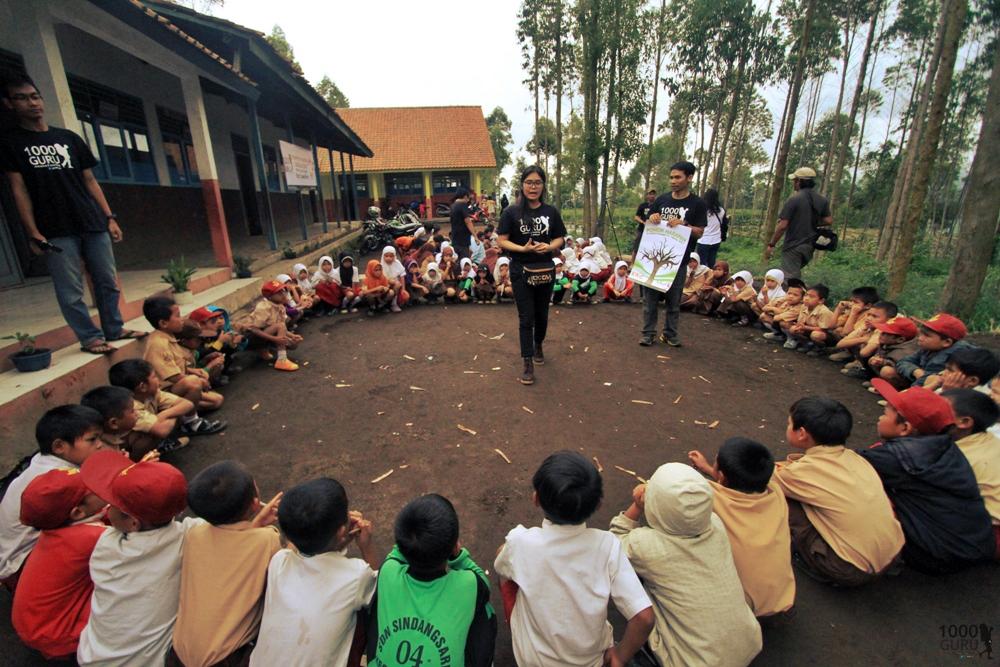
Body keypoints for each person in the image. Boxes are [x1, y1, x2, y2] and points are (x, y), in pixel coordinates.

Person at [0, 72, 146, 355]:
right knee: (70, 289)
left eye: (35, 96)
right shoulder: (11, 144)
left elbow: (90, 180)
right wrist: (32, 232)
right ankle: (90, 337)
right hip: (53, 228)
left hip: (91, 221)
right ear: (8, 104)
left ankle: (113, 328)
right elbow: (19, 190)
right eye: (21, 99)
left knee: (107, 279)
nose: (32, 104)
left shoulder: (68, 138)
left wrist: (109, 217)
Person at [495, 451, 653, 667]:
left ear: (536, 499)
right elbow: (644, 618)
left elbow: (502, 561)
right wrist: (620, 657)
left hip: (532, 660)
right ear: (598, 505)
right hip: (590, 661)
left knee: (504, 562)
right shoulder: (608, 546)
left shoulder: (521, 542)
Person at [610, 463, 762, 667]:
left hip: (693, 662)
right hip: (748, 643)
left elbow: (613, 543)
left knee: (632, 579)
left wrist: (637, 506)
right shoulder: (715, 524)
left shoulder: (646, 546)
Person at [862, 382, 995, 573]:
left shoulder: (898, 458)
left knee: (857, 492)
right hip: (971, 544)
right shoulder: (945, 445)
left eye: (885, 414)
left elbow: (840, 464)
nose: (880, 417)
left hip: (938, 554)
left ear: (906, 428)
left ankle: (883, 556)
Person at [76, 449, 193, 666]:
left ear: (132, 523)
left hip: (93, 658)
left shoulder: (106, 546)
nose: (107, 507)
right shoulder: (189, 537)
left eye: (113, 504)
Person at [772, 397, 904, 586]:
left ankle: (810, 559)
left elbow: (763, 476)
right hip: (892, 554)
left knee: (780, 497)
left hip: (848, 568)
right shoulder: (856, 459)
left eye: (789, 423)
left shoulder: (800, 473)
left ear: (802, 433)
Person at [250, 478, 378, 667]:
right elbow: (380, 585)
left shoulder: (279, 562)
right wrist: (366, 546)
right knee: (365, 610)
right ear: (342, 529)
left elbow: (295, 546)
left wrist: (337, 537)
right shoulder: (357, 575)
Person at [171, 461, 282, 667]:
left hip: (178, 657)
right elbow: (280, 571)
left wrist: (254, 524)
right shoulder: (266, 540)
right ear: (255, 502)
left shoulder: (195, 534)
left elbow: (232, 549)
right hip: (227, 660)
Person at [366, 494, 496, 667]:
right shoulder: (468, 584)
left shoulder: (388, 572)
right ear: (454, 545)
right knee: (484, 608)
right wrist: (459, 557)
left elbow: (398, 552)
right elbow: (484, 585)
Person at [0, 404, 104, 590]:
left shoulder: (42, 461)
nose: (99, 445)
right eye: (92, 440)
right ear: (59, 446)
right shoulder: (58, 477)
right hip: (22, 565)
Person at [688, 439, 795, 617]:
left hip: (740, 608)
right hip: (781, 598)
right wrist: (708, 468)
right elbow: (738, 488)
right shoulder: (775, 492)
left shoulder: (708, 496)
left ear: (721, 475)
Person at [11, 469, 107, 660]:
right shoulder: (90, 538)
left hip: (31, 626)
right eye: (95, 488)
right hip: (56, 635)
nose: (102, 487)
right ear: (78, 512)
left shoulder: (55, 529)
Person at [497, 165, 567, 386]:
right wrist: (522, 249)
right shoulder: (511, 212)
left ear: (543, 185)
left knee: (542, 315)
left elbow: (560, 238)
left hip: (545, 269)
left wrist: (548, 247)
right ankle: (527, 360)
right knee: (526, 317)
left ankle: (538, 344)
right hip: (520, 269)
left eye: (537, 182)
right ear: (522, 185)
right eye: (529, 182)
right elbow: (502, 239)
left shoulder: (551, 211)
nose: (533, 186)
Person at [639, 161, 707, 347]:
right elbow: (647, 225)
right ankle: (648, 333)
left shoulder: (697, 204)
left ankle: (670, 334)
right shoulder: (661, 200)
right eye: (671, 177)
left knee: (673, 302)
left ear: (689, 178)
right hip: (655, 257)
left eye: (678, 177)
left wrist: (685, 225)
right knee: (650, 300)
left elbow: (700, 231)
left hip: (679, 260)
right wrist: (652, 219)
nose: (673, 181)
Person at [142, 296, 223, 414]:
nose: (182, 320)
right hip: (163, 393)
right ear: (163, 323)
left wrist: (193, 371)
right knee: (193, 382)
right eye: (177, 316)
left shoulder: (170, 337)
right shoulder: (158, 344)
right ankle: (190, 421)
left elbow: (174, 366)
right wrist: (199, 380)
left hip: (175, 388)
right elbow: (172, 376)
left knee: (217, 400)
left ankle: (181, 412)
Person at [942, 389, 1000, 553]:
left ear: (965, 422)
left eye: (940, 409)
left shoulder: (961, 457)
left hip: (992, 534)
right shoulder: (984, 438)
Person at [108, 358, 200, 460]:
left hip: (156, 424)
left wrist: (165, 414)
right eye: (154, 377)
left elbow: (188, 404)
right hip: (129, 453)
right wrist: (173, 411)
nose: (158, 380)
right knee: (146, 438)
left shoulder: (152, 393)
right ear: (142, 387)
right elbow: (163, 430)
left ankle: (160, 446)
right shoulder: (131, 408)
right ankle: (139, 463)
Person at [764, 166, 832, 280]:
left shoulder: (794, 199)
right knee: (793, 273)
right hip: (810, 246)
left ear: (800, 181)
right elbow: (828, 220)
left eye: (795, 181)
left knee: (789, 279)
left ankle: (795, 296)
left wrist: (772, 244)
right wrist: (811, 221)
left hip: (794, 245)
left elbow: (782, 226)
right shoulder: (822, 200)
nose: (794, 183)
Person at [888, 313, 973, 388]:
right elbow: (903, 361)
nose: (920, 338)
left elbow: (924, 381)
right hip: (926, 380)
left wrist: (903, 398)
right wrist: (915, 371)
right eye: (921, 333)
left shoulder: (950, 354)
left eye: (926, 336)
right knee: (888, 372)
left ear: (947, 342)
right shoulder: (930, 348)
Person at [234, 281, 302, 371]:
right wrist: (275, 339)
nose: (283, 294)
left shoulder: (281, 307)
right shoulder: (263, 307)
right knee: (280, 328)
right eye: (278, 293)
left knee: (293, 344)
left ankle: (263, 350)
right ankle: (282, 360)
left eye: (283, 291)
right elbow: (254, 329)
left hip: (264, 334)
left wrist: (293, 336)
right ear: (269, 296)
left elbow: (279, 327)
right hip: (250, 337)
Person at [80, 385, 141, 455]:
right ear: (114, 423)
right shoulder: (102, 449)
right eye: (132, 411)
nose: (137, 413)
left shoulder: (112, 436)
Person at [862, 317, 920, 387]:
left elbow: (901, 368)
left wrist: (884, 362)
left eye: (886, 333)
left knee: (887, 371)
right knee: (873, 359)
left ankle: (892, 389)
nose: (881, 334)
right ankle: (878, 381)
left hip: (907, 381)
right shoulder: (890, 344)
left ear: (900, 339)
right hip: (889, 366)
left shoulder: (905, 351)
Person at [780, 283, 836, 353]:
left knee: (816, 335)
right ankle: (807, 344)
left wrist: (805, 327)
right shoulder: (804, 307)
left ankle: (821, 349)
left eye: (811, 297)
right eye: (806, 295)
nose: (806, 298)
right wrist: (798, 325)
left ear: (821, 300)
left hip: (825, 336)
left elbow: (823, 329)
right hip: (809, 329)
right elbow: (801, 322)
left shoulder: (824, 312)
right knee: (793, 329)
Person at [929, 345, 1000, 393]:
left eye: (950, 370)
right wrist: (935, 384)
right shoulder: (954, 386)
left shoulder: (977, 401)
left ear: (972, 381)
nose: (942, 373)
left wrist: (947, 393)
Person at [697, 188, 727, 269]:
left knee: (702, 264)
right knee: (712, 263)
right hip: (716, 240)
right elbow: (724, 225)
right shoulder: (721, 210)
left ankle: (704, 279)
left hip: (703, 240)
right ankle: (712, 277)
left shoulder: (702, 210)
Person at [449, 188, 475, 259]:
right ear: (465, 196)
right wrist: (475, 237)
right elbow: (468, 222)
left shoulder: (453, 206)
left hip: (455, 239)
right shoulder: (463, 205)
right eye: (469, 197)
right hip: (463, 240)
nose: (469, 200)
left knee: (458, 260)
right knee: (464, 261)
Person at [380, 246, 408, 312]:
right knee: (392, 290)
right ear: (383, 256)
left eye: (391, 256)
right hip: (384, 286)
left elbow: (402, 275)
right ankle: (384, 305)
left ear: (394, 256)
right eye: (386, 256)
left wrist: (403, 289)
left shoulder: (397, 263)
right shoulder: (380, 265)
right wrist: (390, 281)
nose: (389, 258)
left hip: (397, 285)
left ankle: (394, 304)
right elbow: (381, 278)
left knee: (405, 295)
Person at [632, 189, 657, 259]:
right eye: (650, 194)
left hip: (653, 231)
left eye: (653, 194)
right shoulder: (643, 205)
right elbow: (636, 217)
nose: (652, 196)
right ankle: (632, 263)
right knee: (636, 247)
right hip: (642, 229)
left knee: (651, 247)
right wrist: (643, 222)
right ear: (647, 196)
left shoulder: (657, 206)